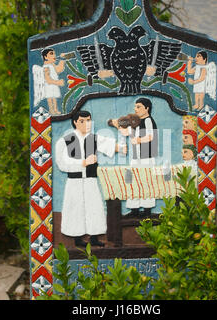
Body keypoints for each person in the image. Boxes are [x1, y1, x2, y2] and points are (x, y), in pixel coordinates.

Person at [55, 110, 124, 247]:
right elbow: (62, 164)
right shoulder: (65, 141)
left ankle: (94, 237)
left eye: (88, 120)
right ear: (75, 122)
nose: (86, 124)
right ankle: (77, 239)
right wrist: (83, 162)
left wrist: (124, 136)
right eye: (82, 121)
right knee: (75, 208)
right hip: (74, 181)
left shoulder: (93, 138)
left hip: (91, 180)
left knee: (94, 207)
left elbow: (113, 147)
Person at [125, 98, 158, 218]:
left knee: (146, 181)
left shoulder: (148, 120)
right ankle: (134, 209)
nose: (135, 109)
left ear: (146, 108)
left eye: (138, 106)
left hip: (146, 156)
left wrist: (138, 140)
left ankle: (147, 210)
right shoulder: (137, 122)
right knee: (133, 181)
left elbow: (150, 136)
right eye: (135, 107)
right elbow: (127, 131)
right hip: (136, 157)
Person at [41, 48, 65, 115]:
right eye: (51, 54)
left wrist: (62, 59)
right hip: (49, 85)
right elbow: (48, 80)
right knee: (50, 98)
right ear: (45, 57)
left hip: (54, 84)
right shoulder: (46, 67)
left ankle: (55, 109)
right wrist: (58, 82)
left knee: (54, 97)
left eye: (54, 53)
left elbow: (59, 69)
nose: (54, 55)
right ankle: (51, 110)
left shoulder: (52, 65)